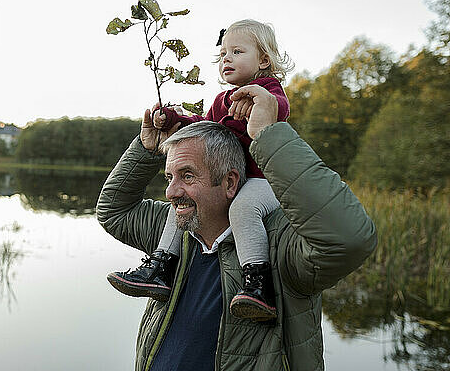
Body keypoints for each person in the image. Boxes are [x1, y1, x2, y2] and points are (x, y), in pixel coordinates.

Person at [96, 91, 377, 369]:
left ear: (230, 183)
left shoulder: (280, 245)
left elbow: (350, 239)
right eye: (170, 177)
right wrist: (146, 152)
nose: (171, 192)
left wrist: (270, 137)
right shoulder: (173, 231)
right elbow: (113, 211)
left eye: (188, 176)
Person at [107, 19, 294, 321]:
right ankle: (160, 267)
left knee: (244, 209)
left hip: (259, 181)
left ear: (263, 59)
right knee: (175, 208)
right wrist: (173, 118)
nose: (227, 59)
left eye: (236, 51)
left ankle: (257, 284)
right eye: (222, 54)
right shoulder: (222, 101)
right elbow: (203, 128)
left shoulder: (268, 90)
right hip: (226, 182)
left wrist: (262, 104)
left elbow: (280, 109)